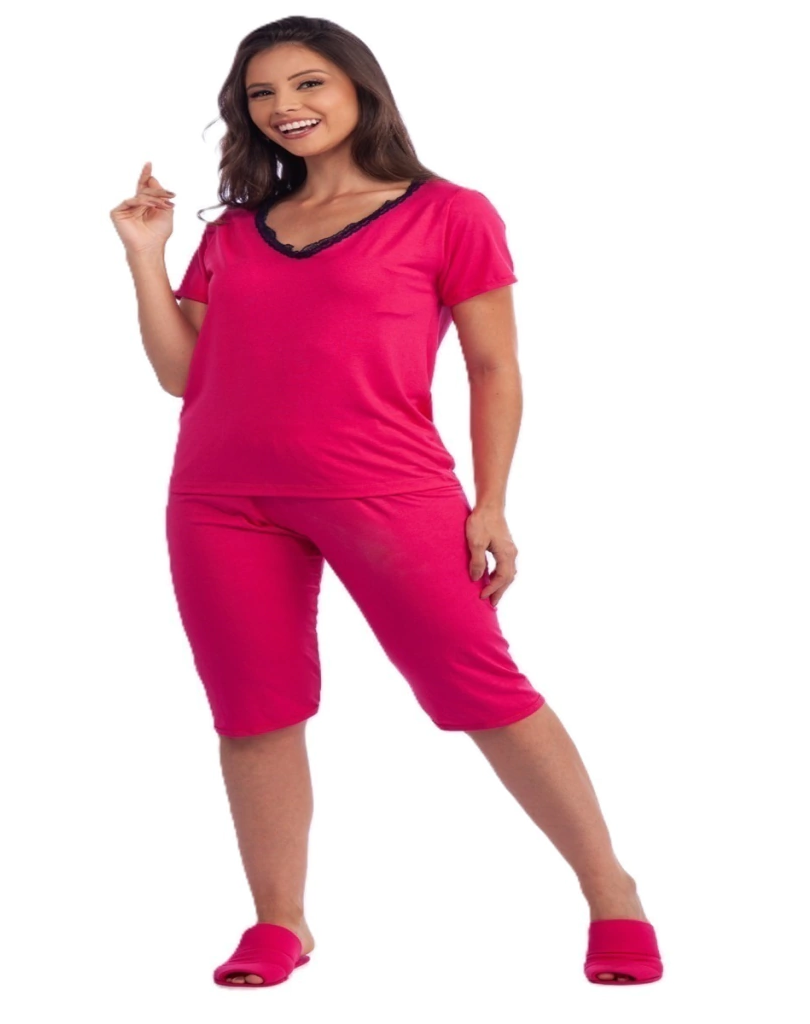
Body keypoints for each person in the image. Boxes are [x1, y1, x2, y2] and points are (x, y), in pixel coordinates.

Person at [111, 16, 664, 988]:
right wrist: (144, 258)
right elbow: (181, 376)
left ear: (359, 88)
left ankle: (610, 891)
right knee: (253, 709)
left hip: (388, 490)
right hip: (221, 497)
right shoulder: (233, 231)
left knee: (479, 690)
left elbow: (494, 367)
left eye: (308, 83)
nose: (285, 107)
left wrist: (491, 503)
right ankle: (279, 921)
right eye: (261, 93)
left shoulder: (449, 213)